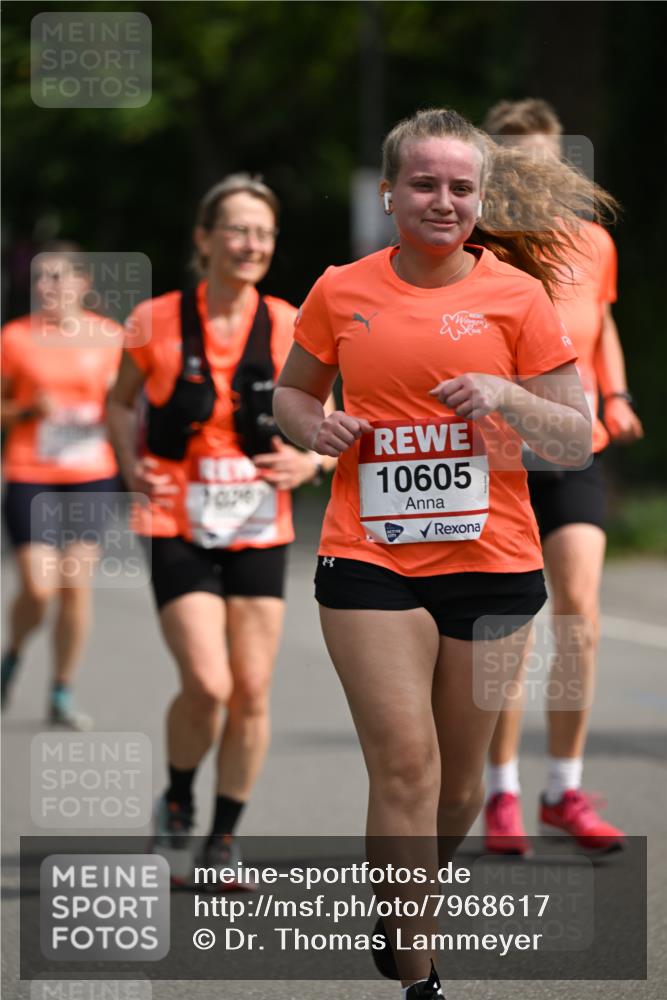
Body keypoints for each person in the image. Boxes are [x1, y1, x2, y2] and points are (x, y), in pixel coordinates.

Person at [273, 107, 617, 998]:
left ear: (479, 198)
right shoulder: (340, 289)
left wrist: (505, 392)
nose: (442, 200)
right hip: (369, 560)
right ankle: (420, 977)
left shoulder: (517, 296)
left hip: (493, 563)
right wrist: (319, 427)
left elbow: (574, 438)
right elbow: (291, 395)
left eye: (460, 187)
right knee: (405, 765)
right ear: (387, 193)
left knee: (457, 787)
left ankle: (399, 907)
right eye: (423, 184)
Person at [107, 174, 334, 883]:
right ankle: (177, 802)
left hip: (261, 524)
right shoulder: (152, 321)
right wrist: (128, 464)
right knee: (208, 683)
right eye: (236, 229)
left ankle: (224, 836)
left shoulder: (293, 321)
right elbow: (118, 404)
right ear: (203, 239)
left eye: (263, 233)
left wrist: (308, 463)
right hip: (175, 516)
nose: (251, 244)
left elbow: (332, 416)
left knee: (252, 690)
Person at [478, 99, 643, 856]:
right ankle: (502, 791)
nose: (533, 173)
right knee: (508, 628)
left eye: (545, 158)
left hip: (576, 446)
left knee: (577, 614)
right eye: (515, 162)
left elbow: (599, 321)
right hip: (498, 457)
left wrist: (615, 394)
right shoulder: (480, 248)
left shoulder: (592, 242)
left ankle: (563, 788)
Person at [1, 243, 123, 728]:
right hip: (32, 472)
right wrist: (28, 410)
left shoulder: (112, 338)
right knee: (39, 586)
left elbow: (131, 406)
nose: (46, 288)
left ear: (82, 284)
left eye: (57, 278)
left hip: (92, 473)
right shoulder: (15, 339)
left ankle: (61, 690)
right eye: (40, 279)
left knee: (75, 584)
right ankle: (12, 652)